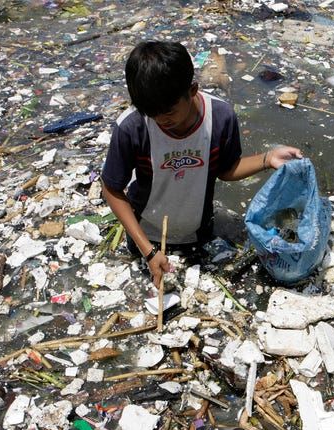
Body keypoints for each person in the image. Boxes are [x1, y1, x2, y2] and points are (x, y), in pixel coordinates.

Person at [101, 41, 303, 287]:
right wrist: (148, 251)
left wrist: (267, 159)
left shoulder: (219, 117)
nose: (161, 121)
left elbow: (227, 170)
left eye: (169, 112)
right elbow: (111, 189)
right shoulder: (132, 126)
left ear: (193, 90)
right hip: (146, 236)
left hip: (198, 233)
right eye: (152, 113)